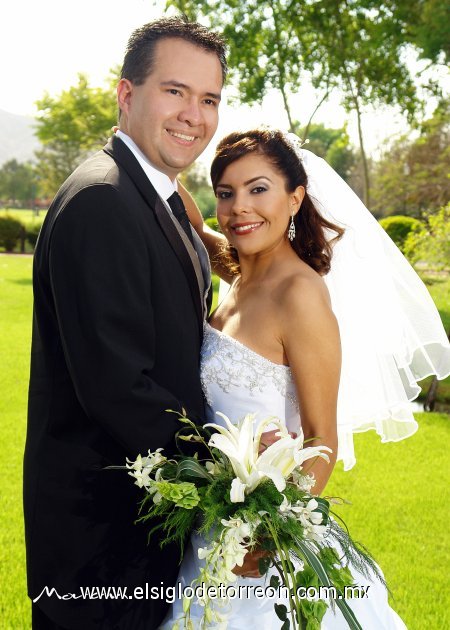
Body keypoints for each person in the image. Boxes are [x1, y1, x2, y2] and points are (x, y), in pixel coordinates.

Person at [162, 128, 450, 628]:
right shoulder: (240, 271)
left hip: (263, 545)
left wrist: (265, 539)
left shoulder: (300, 294)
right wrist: (145, 154)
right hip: (214, 523)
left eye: (258, 189)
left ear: (295, 198)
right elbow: (186, 215)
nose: (238, 208)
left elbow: (322, 438)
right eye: (225, 193)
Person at [24, 16, 226, 630]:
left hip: (144, 524)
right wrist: (234, 478)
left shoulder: (156, 196)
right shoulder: (103, 199)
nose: (194, 114)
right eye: (175, 91)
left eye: (209, 99)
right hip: (103, 538)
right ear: (126, 93)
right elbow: (118, 387)